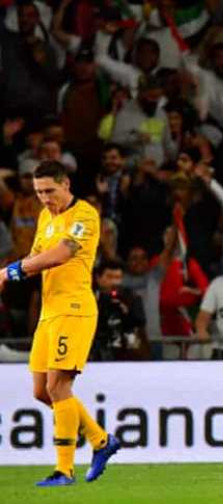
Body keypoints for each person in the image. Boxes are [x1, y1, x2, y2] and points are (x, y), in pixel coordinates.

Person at [0, 161, 120, 486]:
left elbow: (62, 254)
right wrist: (9, 276)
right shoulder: (44, 217)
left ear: (65, 184)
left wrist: (10, 271)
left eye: (49, 191)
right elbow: (36, 258)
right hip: (49, 311)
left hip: (75, 308)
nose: (44, 198)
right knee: (42, 392)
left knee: (58, 388)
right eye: (39, 192)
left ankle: (64, 470)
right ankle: (100, 440)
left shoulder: (85, 215)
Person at [93, 260, 149, 361]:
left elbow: (139, 324)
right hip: (95, 350)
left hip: (125, 351)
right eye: (110, 277)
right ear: (98, 278)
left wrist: (125, 313)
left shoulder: (132, 298)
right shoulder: (90, 298)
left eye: (118, 278)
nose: (114, 282)